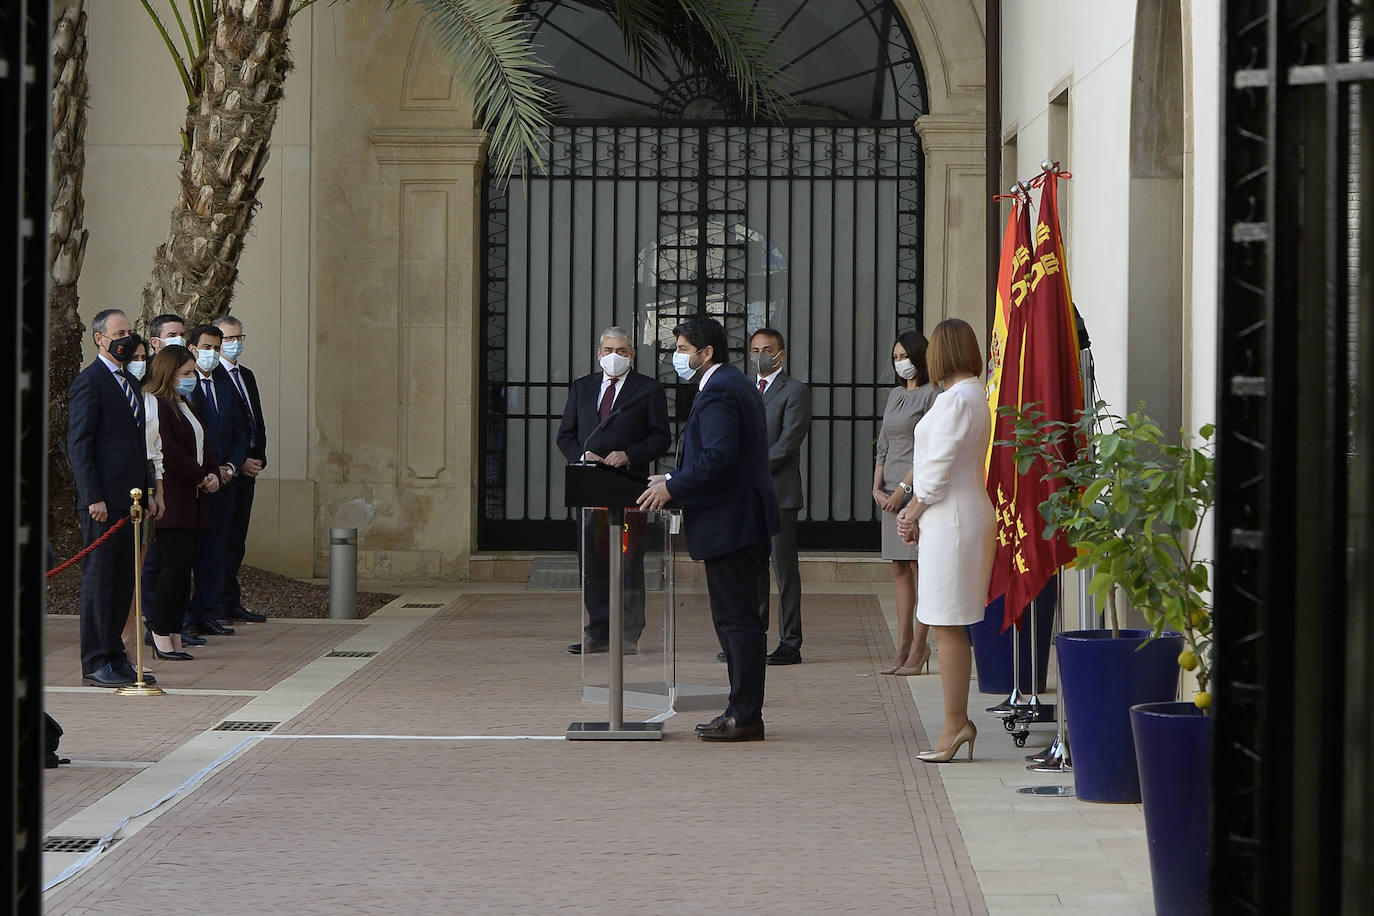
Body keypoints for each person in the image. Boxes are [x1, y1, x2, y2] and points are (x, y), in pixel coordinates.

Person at [638, 318, 780, 742]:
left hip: (731, 522)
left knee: (737, 622)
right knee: (737, 621)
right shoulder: (731, 384)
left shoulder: (719, 389)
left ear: (707, 352)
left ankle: (745, 715)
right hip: (736, 520)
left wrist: (673, 485)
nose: (677, 357)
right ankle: (739, 709)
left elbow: (718, 457)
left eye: (683, 348)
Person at [896, 318, 997, 763]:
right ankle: (956, 722)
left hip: (952, 518)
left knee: (946, 621)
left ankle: (956, 723)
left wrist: (911, 512)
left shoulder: (958, 398)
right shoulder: (967, 394)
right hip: (954, 515)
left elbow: (936, 470)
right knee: (944, 619)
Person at [556, 326, 671, 654]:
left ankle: (627, 633)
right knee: (592, 561)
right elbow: (565, 435)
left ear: (632, 355)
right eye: (608, 350)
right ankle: (598, 631)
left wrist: (630, 454)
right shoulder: (582, 387)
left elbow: (661, 437)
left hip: (628, 489)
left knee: (626, 559)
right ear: (598, 353)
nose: (614, 356)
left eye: (621, 351)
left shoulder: (648, 389)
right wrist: (583, 455)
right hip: (590, 488)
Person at [67, 309, 151, 687]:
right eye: (119, 333)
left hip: (129, 503)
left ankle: (115, 655)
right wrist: (93, 497)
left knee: (122, 583)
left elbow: (138, 445)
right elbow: (80, 445)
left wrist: (146, 492)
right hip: (103, 505)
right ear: (100, 338)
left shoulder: (127, 382)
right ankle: (95, 660)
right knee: (100, 583)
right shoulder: (91, 382)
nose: (127, 339)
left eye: (130, 332)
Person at [143, 345, 221, 659]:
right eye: (186, 373)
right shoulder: (159, 406)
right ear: (169, 374)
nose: (192, 379)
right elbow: (170, 451)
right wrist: (201, 476)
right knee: (172, 568)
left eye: (192, 373)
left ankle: (174, 631)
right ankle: (160, 632)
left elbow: (205, 443)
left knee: (182, 568)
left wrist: (213, 472)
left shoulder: (185, 404)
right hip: (174, 499)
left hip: (195, 500)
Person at [873, 330, 939, 676]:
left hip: (917, 490)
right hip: (889, 491)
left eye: (905, 355)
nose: (901, 362)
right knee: (899, 567)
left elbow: (929, 449)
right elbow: (883, 444)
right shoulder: (894, 394)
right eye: (896, 356)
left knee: (918, 567)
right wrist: (877, 487)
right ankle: (902, 643)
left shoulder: (933, 395)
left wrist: (903, 489)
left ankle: (919, 645)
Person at [749, 328, 812, 666]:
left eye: (768, 349)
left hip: (779, 494)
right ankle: (753, 639)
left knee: (784, 571)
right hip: (748, 497)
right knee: (753, 569)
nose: (761, 355)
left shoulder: (795, 390)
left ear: (781, 354)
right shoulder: (745, 390)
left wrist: (749, 466)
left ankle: (790, 641)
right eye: (755, 349)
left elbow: (788, 443)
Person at [183, 324, 250, 637]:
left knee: (216, 551)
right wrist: (207, 471)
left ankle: (207, 613)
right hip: (196, 483)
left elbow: (239, 433)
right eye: (206, 347)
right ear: (193, 348)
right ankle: (182, 618)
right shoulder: (184, 385)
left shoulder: (226, 384)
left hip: (224, 482)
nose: (212, 353)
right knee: (187, 554)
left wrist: (230, 468)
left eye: (216, 347)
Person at [213, 315, 268, 623]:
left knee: (237, 540)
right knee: (221, 539)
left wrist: (258, 456)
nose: (235, 344)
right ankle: (217, 603)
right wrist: (238, 461)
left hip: (249, 470)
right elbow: (220, 429)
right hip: (229, 470)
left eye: (239, 338)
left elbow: (254, 420)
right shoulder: (212, 376)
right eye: (229, 339)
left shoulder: (245, 375)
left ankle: (231, 601)